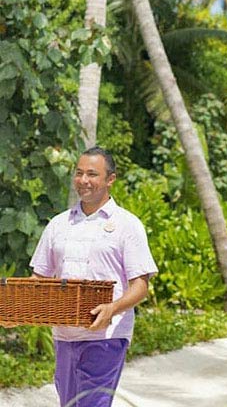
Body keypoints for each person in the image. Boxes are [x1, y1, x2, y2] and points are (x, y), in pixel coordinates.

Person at [29, 146, 158, 407]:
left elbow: (140, 286)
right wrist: (17, 314)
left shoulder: (127, 225)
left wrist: (113, 308)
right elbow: (39, 280)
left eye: (92, 174)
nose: (83, 180)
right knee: (69, 403)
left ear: (110, 179)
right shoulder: (58, 224)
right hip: (64, 336)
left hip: (106, 336)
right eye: (79, 173)